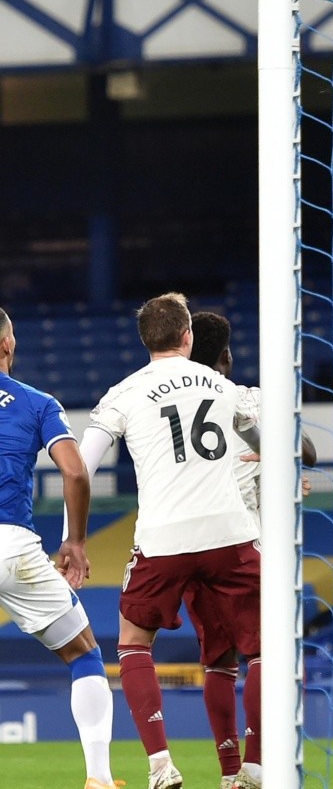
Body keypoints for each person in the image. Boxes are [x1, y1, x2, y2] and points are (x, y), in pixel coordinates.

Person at [75, 293, 262, 789]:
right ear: (188, 337)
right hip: (230, 533)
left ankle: (161, 766)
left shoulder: (125, 391)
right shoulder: (223, 386)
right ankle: (256, 766)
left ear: (145, 340)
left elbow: (82, 466)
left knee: (134, 643)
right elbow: (270, 449)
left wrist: (76, 536)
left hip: (164, 537)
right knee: (264, 649)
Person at [184, 311, 315, 789]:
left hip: (188, 543)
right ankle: (257, 760)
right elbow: (309, 452)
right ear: (226, 356)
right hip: (246, 545)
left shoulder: (162, 401)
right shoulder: (249, 399)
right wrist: (276, 449)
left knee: (217, 663)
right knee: (264, 654)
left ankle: (228, 773)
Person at [0, 307, 118, 789]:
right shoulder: (36, 402)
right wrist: (75, 541)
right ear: (8, 344)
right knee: (84, 653)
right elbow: (74, 470)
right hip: (12, 546)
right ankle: (99, 778)